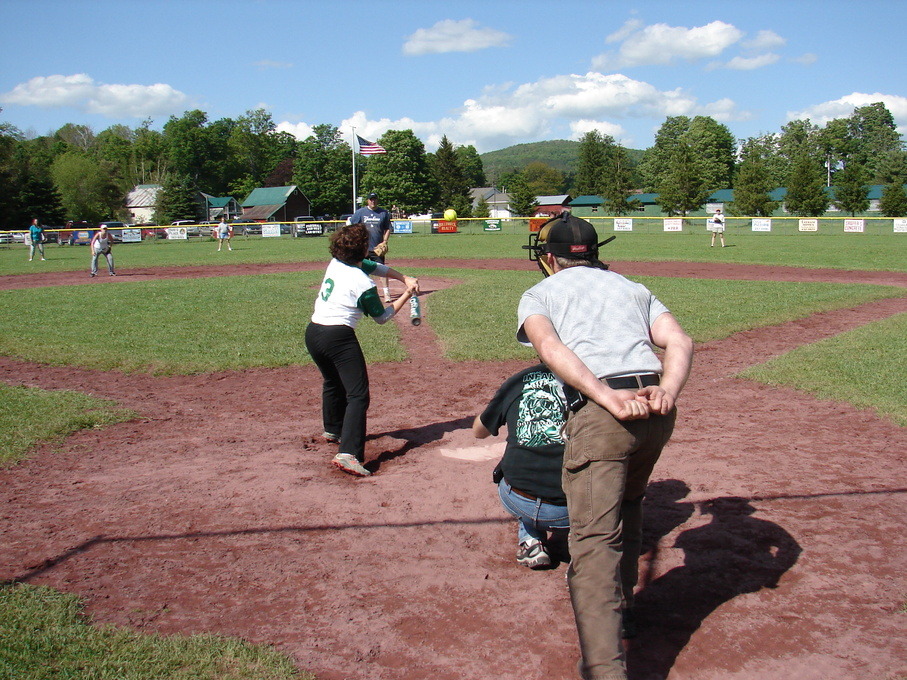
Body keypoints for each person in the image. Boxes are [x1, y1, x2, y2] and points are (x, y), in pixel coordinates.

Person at [517, 212, 694, 680]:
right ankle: (626, 609)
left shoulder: (540, 293)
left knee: (594, 540)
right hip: (656, 411)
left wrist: (605, 397)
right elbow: (679, 341)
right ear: (596, 254)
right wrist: (669, 392)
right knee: (630, 504)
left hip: (605, 414)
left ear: (550, 258)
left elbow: (550, 350)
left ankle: (605, 669)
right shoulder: (633, 288)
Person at [305, 223, 419, 477]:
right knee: (358, 395)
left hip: (314, 332)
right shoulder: (362, 283)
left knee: (332, 381)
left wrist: (403, 278)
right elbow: (382, 317)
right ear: (361, 250)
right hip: (338, 337)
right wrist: (407, 294)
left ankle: (333, 429)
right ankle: (349, 454)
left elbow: (372, 265)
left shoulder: (337, 263)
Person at [473, 363, 569, 569]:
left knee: (517, 461)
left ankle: (531, 541)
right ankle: (585, 544)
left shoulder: (519, 381)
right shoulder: (598, 381)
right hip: (578, 511)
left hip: (519, 501)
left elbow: (478, 431)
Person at [347, 192, 392, 302]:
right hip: (363, 248)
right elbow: (351, 225)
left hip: (377, 248)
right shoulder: (361, 212)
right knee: (361, 270)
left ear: (377, 200)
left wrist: (385, 241)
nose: (373, 201)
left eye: (375, 199)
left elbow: (388, 228)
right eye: (371, 199)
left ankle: (386, 293)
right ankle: (361, 293)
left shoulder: (383, 213)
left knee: (382, 270)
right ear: (367, 201)